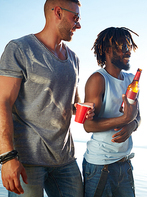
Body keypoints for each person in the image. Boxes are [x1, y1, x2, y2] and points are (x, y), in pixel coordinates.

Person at [0, 0, 95, 196]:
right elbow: (3, 102)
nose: (79, 25)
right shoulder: (20, 49)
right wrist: (7, 157)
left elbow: (72, 103)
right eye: (75, 18)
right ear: (58, 12)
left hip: (65, 159)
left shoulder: (73, 59)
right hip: (27, 160)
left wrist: (82, 110)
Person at [82, 27, 141, 197]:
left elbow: (138, 116)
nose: (127, 51)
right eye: (122, 47)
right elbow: (88, 125)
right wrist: (125, 119)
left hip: (125, 163)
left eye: (128, 46)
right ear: (107, 50)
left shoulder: (131, 80)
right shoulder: (98, 79)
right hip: (101, 165)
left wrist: (132, 125)